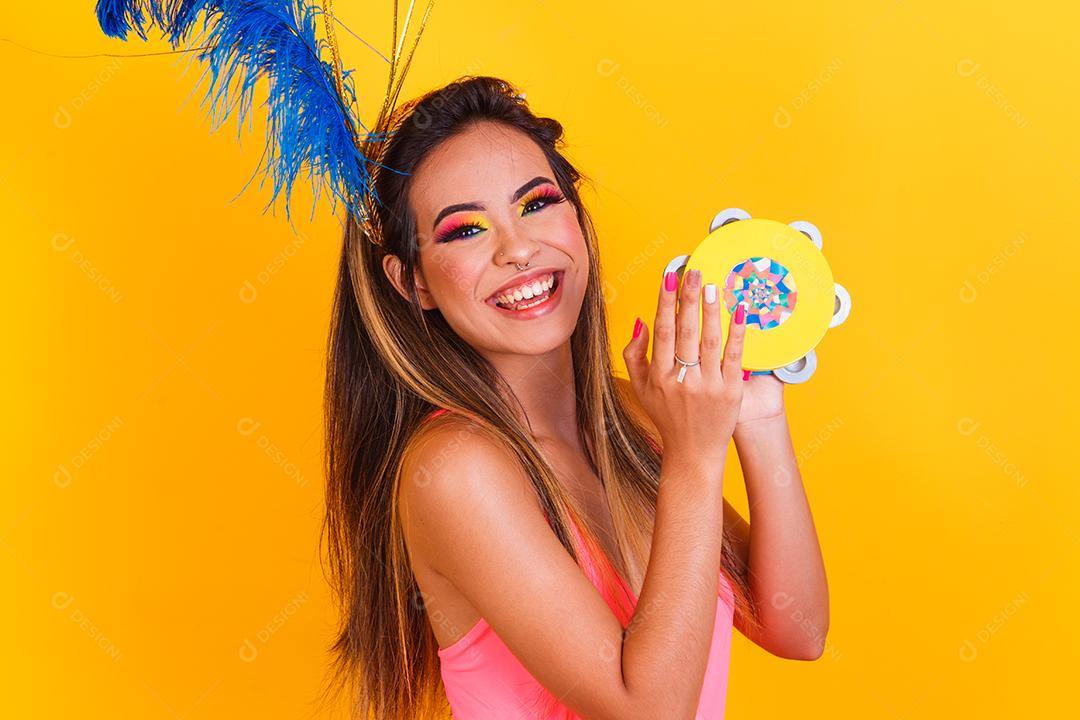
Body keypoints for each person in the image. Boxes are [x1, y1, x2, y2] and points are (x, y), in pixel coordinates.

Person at [320, 75, 828, 720]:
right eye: (464, 231)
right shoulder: (455, 470)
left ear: (577, 220)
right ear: (413, 281)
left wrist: (755, 415)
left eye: (535, 204)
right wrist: (696, 456)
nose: (519, 249)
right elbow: (648, 711)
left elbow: (797, 630)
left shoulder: (635, 416)